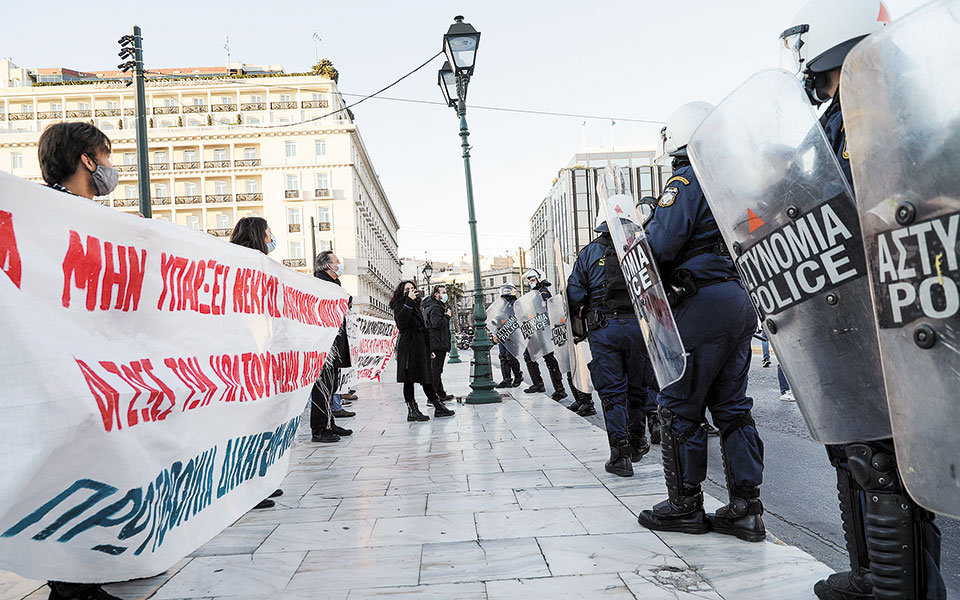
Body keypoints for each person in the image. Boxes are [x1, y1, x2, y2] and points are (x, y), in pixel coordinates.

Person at [780, 2, 945, 597]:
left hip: (893, 305)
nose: (820, 92)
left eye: (821, 78)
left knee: (883, 460)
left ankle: (898, 589)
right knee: (857, 447)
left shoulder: (880, 106)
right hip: (864, 307)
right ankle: (871, 574)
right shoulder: (861, 108)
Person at [635, 102, 765, 543]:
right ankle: (746, 510)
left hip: (701, 300)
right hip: (740, 298)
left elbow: (662, 244)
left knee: (679, 404)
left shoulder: (687, 177)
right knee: (733, 407)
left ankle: (685, 506)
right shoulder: (736, 184)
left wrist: (643, 228)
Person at [37, 123, 125, 600]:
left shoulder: (87, 219)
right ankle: (71, 587)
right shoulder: (44, 217)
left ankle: (82, 579)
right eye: (106, 156)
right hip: (63, 375)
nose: (111, 166)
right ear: (87, 160)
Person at [567, 215, 653, 478]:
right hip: (638, 327)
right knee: (638, 388)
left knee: (613, 392)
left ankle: (620, 455)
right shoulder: (640, 248)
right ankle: (637, 442)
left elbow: (574, 292)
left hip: (604, 329)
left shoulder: (589, 252)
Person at [228, 216, 287, 509]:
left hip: (260, 353)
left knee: (262, 421)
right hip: (244, 355)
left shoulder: (260, 264)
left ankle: (259, 480)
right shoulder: (242, 262)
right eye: (268, 233)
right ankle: (245, 488)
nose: (271, 238)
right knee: (247, 423)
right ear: (257, 235)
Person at [390, 280, 455, 420]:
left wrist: (429, 348)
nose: (411, 291)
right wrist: (408, 301)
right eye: (407, 289)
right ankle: (412, 410)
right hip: (408, 345)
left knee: (426, 377)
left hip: (420, 345)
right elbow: (402, 322)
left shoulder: (415, 305)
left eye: (412, 288)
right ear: (402, 292)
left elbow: (423, 327)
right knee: (409, 379)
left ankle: (438, 407)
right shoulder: (400, 304)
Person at [310, 251, 354, 442]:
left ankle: (329, 423)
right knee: (322, 387)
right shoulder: (320, 283)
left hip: (334, 343)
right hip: (324, 345)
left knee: (332, 386)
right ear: (328, 265)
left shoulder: (333, 283)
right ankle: (319, 429)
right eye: (337, 261)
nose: (340, 264)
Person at [520, 269, 569, 401]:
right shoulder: (536, 292)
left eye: (533, 279)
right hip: (539, 330)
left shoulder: (543, 292)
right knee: (540, 357)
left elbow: (546, 308)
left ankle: (555, 388)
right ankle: (549, 386)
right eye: (529, 280)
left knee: (546, 358)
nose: (531, 282)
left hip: (544, 330)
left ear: (540, 278)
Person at [422, 284, 455, 401]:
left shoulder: (431, 306)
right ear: (436, 294)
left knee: (436, 370)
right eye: (443, 292)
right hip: (437, 343)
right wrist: (447, 316)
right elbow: (437, 324)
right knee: (435, 371)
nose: (445, 294)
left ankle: (441, 394)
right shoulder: (435, 307)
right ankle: (432, 398)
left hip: (435, 342)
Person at [493, 285, 524, 389]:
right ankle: (506, 379)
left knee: (510, 356)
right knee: (503, 356)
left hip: (513, 334)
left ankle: (518, 376)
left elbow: (519, 317)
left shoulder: (516, 304)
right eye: (504, 290)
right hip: (502, 333)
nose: (506, 292)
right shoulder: (500, 305)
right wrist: (495, 333)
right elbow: (497, 319)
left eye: (508, 290)